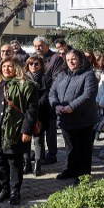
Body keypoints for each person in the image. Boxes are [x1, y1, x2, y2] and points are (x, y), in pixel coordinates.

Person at [0, 58, 37, 205]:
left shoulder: (26, 85)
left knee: (14, 163)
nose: (6, 69)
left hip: (15, 130)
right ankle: (4, 189)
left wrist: (27, 130)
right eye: (4, 66)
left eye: (10, 66)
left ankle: (15, 192)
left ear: (17, 68)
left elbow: (31, 111)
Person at [49, 50, 98, 182]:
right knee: (70, 147)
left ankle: (83, 174)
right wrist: (56, 105)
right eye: (68, 59)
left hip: (83, 119)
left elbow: (88, 95)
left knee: (83, 148)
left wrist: (72, 107)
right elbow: (52, 92)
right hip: (65, 117)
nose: (71, 62)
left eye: (74, 59)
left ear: (80, 59)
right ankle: (70, 169)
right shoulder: (62, 74)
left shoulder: (88, 75)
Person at [33, 36, 65, 165]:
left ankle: (52, 155)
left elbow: (56, 79)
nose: (38, 48)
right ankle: (39, 155)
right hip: (36, 99)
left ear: (47, 45)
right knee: (38, 128)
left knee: (50, 129)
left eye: (40, 45)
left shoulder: (56, 58)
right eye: (36, 46)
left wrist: (48, 94)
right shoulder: (34, 58)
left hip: (49, 98)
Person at [25, 55, 49, 176]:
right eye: (31, 64)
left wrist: (35, 106)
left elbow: (46, 95)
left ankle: (37, 165)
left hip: (40, 112)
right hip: (26, 113)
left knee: (38, 139)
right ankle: (27, 163)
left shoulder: (45, 78)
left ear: (41, 65)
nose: (33, 66)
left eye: (36, 64)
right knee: (26, 138)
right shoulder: (24, 77)